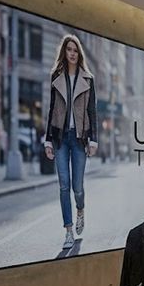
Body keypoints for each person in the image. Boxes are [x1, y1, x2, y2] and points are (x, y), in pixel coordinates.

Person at [44, 34, 98, 250]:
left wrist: (93, 139)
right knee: (64, 185)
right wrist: (48, 140)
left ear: (79, 53)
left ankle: (80, 210)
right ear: (64, 52)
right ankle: (68, 230)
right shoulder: (56, 77)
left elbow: (92, 111)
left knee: (77, 187)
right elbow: (51, 109)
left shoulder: (88, 79)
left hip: (79, 139)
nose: (72, 53)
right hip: (59, 138)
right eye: (69, 50)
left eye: (75, 50)